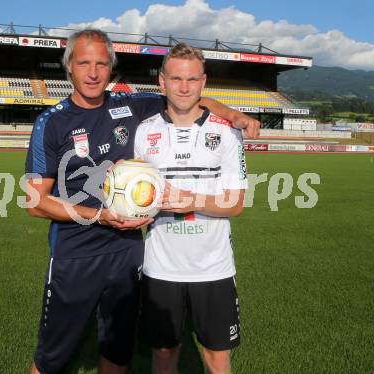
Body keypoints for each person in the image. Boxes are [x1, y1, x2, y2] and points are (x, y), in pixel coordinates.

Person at [25, 29, 258, 374]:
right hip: (76, 253)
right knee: (53, 358)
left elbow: (190, 98)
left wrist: (236, 116)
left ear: (111, 69)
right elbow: (35, 202)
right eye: (84, 63)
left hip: (130, 251)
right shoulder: (51, 122)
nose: (93, 72)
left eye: (101, 64)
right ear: (69, 66)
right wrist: (100, 216)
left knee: (118, 353)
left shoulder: (129, 106)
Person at [135, 43, 248, 374]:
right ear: (162, 81)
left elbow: (236, 204)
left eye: (192, 79)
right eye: (176, 79)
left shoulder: (227, 133)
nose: (184, 87)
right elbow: (135, 193)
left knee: (216, 357)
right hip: (161, 267)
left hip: (213, 268)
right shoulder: (144, 133)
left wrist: (192, 200)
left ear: (203, 82)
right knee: (165, 353)